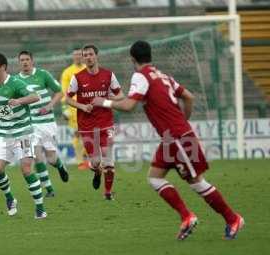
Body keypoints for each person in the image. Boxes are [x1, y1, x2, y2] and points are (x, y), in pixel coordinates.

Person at [92, 40, 244, 240]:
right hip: (171, 138)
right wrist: (183, 120)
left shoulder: (141, 75)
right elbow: (189, 97)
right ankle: (187, 216)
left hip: (178, 137)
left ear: (132, 59)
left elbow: (129, 106)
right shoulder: (163, 75)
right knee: (154, 177)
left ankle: (232, 218)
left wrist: (103, 102)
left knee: (196, 182)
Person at [0, 52, 47, 219]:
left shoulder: (15, 83)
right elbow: (1, 104)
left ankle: (40, 209)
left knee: (26, 169)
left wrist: (19, 101)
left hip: (24, 134)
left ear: (3, 67)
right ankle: (10, 198)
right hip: (5, 135)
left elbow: (36, 96)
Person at [65, 45, 123, 201]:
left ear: (96, 56)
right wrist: (83, 106)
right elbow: (68, 98)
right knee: (96, 162)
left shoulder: (108, 75)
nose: (88, 57)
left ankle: (108, 193)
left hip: (106, 122)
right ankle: (96, 170)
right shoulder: (77, 77)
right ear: (83, 58)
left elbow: (121, 95)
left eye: (91, 54)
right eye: (85, 55)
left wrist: (105, 100)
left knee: (108, 158)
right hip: (87, 125)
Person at [16, 50, 69, 198]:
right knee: (37, 157)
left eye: (27, 59)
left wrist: (51, 105)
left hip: (47, 123)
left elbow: (59, 92)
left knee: (51, 158)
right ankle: (49, 189)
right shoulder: (16, 80)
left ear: (32, 61)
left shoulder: (43, 74)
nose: (25, 62)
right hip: (31, 124)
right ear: (19, 63)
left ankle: (59, 166)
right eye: (22, 60)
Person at [60, 47, 89, 170]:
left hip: (88, 106)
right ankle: (80, 161)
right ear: (73, 56)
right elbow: (64, 91)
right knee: (78, 134)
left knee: (90, 134)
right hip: (74, 108)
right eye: (75, 55)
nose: (77, 57)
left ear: (82, 56)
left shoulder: (87, 69)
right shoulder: (67, 72)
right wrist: (64, 108)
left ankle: (88, 159)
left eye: (79, 54)